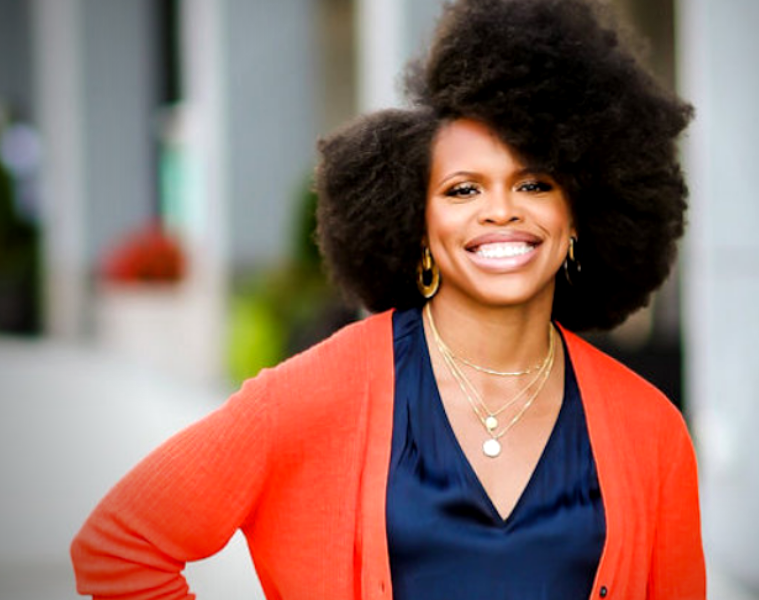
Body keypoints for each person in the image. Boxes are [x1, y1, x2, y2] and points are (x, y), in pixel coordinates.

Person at [71, 0, 705, 598]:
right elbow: (122, 544)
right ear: (417, 224)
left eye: (534, 183)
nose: (501, 211)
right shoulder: (320, 393)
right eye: (463, 189)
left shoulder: (650, 431)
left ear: (577, 218)